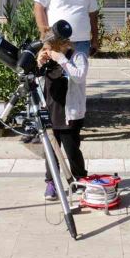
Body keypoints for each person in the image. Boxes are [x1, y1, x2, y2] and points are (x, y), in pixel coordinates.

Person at [37, 28, 90, 200]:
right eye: (46, 49)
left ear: (63, 45)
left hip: (70, 113)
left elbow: (79, 77)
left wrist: (61, 59)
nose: (48, 52)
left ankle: (80, 179)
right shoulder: (48, 60)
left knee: (71, 149)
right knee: (51, 152)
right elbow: (37, 82)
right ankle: (52, 182)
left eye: (50, 48)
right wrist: (39, 63)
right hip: (50, 112)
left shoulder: (77, 57)